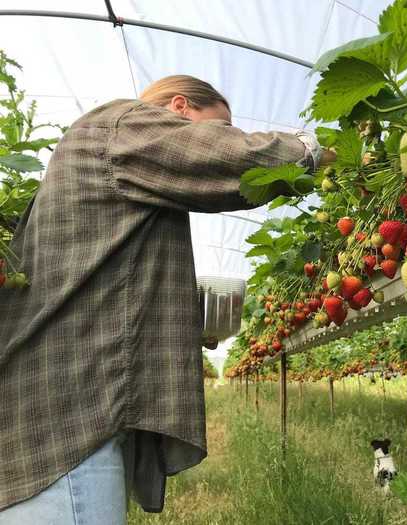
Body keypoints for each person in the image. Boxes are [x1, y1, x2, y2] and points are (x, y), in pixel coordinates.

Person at [0, 75, 333, 524]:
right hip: (64, 417)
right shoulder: (124, 124)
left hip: (69, 404)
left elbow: (113, 282)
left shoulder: (119, 158)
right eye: (219, 127)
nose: (225, 136)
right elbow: (236, 161)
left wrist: (179, 323)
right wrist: (326, 152)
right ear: (178, 108)